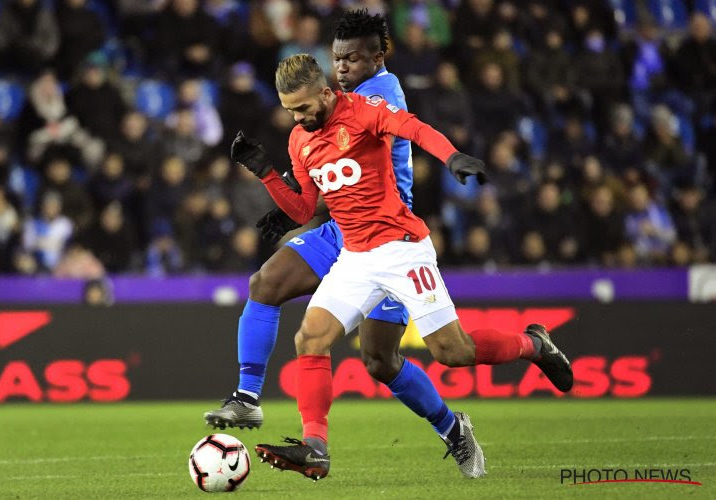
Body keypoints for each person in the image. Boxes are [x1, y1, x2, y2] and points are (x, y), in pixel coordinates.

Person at [242, 53, 573, 480]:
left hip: (402, 250)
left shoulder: (364, 111)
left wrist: (451, 156)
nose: (298, 118)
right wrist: (267, 174)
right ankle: (316, 447)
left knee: (453, 352)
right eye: (290, 111)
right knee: (310, 338)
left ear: (325, 92)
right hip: (356, 258)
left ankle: (534, 345)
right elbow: (305, 207)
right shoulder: (299, 140)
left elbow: (413, 128)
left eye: (303, 108)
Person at [204, 11, 480, 476]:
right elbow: (318, 169)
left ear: (377, 57)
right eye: (337, 59)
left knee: (380, 359)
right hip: (342, 229)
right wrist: (282, 179)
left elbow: (388, 132)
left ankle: (452, 427)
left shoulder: (379, 95)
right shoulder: (322, 112)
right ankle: (251, 399)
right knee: (267, 286)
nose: (343, 67)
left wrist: (451, 156)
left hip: (389, 231)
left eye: (351, 59)